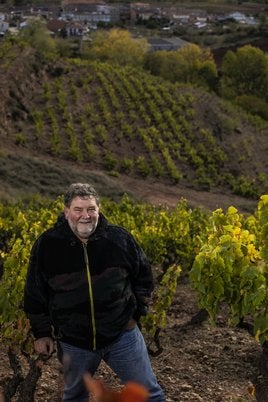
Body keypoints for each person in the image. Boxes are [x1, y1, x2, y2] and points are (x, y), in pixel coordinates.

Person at [23, 183, 166, 402]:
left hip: (122, 336)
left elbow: (143, 277)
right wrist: (42, 332)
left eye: (91, 209)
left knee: (149, 394)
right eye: (78, 209)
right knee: (75, 397)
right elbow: (35, 292)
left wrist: (134, 316)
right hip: (73, 341)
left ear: (99, 210)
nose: (85, 216)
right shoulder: (48, 245)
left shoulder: (119, 239)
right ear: (66, 211)